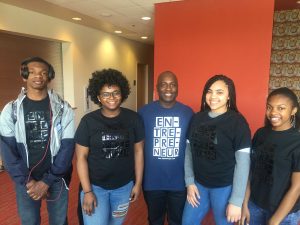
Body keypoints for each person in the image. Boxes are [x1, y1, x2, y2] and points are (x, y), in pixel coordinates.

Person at [0, 56, 75, 225]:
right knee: (29, 221)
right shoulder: (10, 110)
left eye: (43, 72)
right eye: (32, 72)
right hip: (26, 180)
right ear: (24, 75)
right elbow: (8, 152)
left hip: (57, 177)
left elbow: (67, 148)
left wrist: (47, 181)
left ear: (49, 76)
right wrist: (29, 182)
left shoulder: (64, 109)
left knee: (59, 221)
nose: (38, 76)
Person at [75, 68, 144, 225]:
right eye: (106, 94)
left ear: (123, 94)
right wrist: (87, 191)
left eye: (116, 92)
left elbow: (139, 152)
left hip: (124, 187)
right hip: (96, 187)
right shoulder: (88, 122)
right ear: (98, 97)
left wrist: (138, 184)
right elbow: (81, 158)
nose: (111, 97)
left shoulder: (133, 119)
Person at [182, 74, 251, 225]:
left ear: (229, 96)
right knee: (187, 222)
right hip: (198, 185)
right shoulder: (197, 118)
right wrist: (189, 182)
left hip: (224, 188)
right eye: (209, 91)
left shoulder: (238, 122)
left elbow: (243, 164)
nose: (213, 96)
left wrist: (236, 201)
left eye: (219, 92)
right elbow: (188, 152)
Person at [139, 71, 194, 225]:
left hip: (179, 181)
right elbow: (138, 148)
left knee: (177, 220)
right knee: (155, 220)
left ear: (178, 88)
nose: (168, 88)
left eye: (172, 84)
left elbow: (192, 147)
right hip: (152, 181)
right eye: (163, 84)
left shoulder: (188, 113)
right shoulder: (144, 112)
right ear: (157, 88)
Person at [241, 87, 300, 225]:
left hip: (284, 214)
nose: (273, 112)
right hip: (255, 205)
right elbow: (251, 171)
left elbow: (297, 187)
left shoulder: (297, 142)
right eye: (269, 107)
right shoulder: (260, 134)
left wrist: (274, 221)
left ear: (293, 110)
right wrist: (244, 204)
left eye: (281, 108)